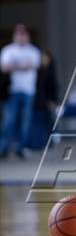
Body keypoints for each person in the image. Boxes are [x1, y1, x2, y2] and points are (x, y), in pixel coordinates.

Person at [0, 24, 41, 158]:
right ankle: (4, 147)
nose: (21, 37)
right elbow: (4, 67)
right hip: (12, 90)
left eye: (23, 34)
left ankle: (21, 148)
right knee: (9, 120)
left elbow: (33, 65)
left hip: (28, 90)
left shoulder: (34, 51)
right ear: (14, 36)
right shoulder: (8, 50)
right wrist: (21, 66)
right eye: (18, 34)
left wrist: (14, 66)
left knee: (25, 120)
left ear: (27, 36)